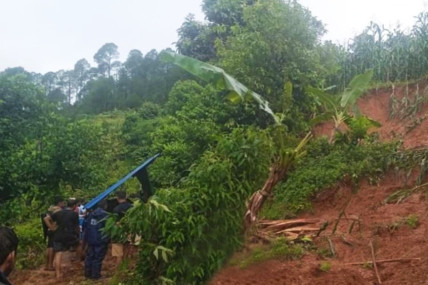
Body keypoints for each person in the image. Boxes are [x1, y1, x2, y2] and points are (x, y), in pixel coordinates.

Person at [51, 199, 79, 280]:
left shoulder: (58, 213)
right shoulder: (74, 214)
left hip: (58, 235)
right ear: (74, 206)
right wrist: (78, 234)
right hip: (69, 235)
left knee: (58, 254)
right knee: (79, 245)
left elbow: (47, 218)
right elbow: (76, 227)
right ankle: (78, 264)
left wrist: (52, 228)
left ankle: (58, 274)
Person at [84, 200, 109, 280]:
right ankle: (95, 275)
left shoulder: (90, 214)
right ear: (105, 206)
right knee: (97, 258)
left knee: (89, 256)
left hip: (90, 238)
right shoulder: (106, 216)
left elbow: (86, 226)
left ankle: (87, 274)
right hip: (100, 239)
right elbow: (108, 228)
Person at [42, 196, 64, 271]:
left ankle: (47, 264)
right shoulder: (57, 210)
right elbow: (46, 219)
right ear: (59, 203)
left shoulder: (50, 208)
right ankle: (50, 265)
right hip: (53, 230)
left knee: (49, 247)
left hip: (49, 230)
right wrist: (52, 227)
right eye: (62, 202)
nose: (63, 204)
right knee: (52, 247)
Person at [111, 191, 132, 264]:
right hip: (129, 230)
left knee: (118, 253)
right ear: (126, 197)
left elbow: (115, 222)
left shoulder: (116, 209)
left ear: (117, 198)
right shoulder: (131, 207)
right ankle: (126, 268)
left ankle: (118, 271)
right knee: (127, 249)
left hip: (119, 231)